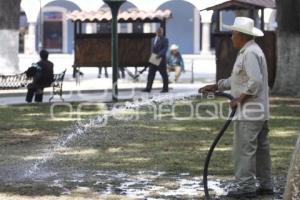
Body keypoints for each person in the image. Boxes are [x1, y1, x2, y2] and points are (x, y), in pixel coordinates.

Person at [199, 17, 273, 198]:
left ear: (241, 35)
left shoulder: (249, 53)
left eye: (233, 33)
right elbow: (238, 80)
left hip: (249, 112)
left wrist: (239, 99)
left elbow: (255, 82)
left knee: (244, 150)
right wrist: (218, 85)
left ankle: (246, 187)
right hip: (259, 112)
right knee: (262, 151)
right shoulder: (252, 51)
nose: (231, 37)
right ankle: (266, 185)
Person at [142, 27, 169, 93]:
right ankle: (148, 88)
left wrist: (158, 55)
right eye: (158, 32)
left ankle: (165, 89)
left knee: (164, 75)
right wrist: (151, 57)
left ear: (162, 32)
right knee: (151, 74)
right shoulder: (153, 39)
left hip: (161, 59)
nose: (159, 33)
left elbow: (165, 49)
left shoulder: (165, 39)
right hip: (153, 59)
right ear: (156, 32)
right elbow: (152, 49)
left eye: (160, 32)